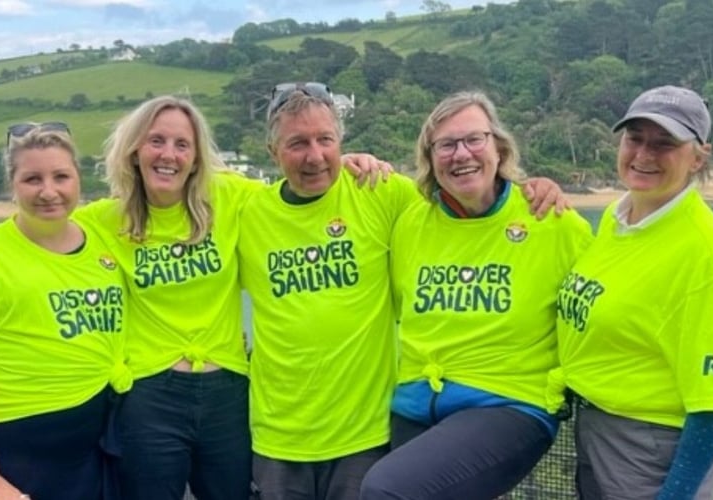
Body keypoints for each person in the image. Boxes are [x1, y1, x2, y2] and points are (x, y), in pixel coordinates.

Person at [239, 83, 570, 500]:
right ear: (273, 153)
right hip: (277, 436)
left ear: (341, 142)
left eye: (326, 140)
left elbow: (466, 200)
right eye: (297, 143)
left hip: (367, 431)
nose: (315, 156)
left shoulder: (381, 192)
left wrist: (531, 189)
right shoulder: (246, 211)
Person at [356, 91, 592, 499]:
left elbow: (599, 307)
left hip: (508, 404)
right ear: (429, 158)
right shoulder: (410, 221)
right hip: (416, 401)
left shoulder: (550, 221)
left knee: (386, 489)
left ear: (499, 147)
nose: (460, 154)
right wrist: (347, 161)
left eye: (473, 140)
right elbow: (340, 187)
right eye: (445, 145)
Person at [555, 85, 713, 499]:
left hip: (649, 450)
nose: (643, 154)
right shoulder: (616, 218)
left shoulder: (706, 253)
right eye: (635, 138)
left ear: (699, 157)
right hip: (596, 428)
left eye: (665, 144)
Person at [73, 96, 262, 500]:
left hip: (228, 392)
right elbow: (36, 234)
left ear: (196, 159)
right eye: (156, 140)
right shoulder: (102, 221)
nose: (168, 155)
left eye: (182, 145)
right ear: (135, 150)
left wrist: (358, 165)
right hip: (148, 395)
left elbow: (298, 191)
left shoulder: (229, 198)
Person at [0, 122, 131, 500]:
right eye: (32, 178)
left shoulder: (102, 238)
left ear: (78, 180)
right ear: (12, 183)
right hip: (24, 451)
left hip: (101, 441)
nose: (49, 191)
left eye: (61, 176)